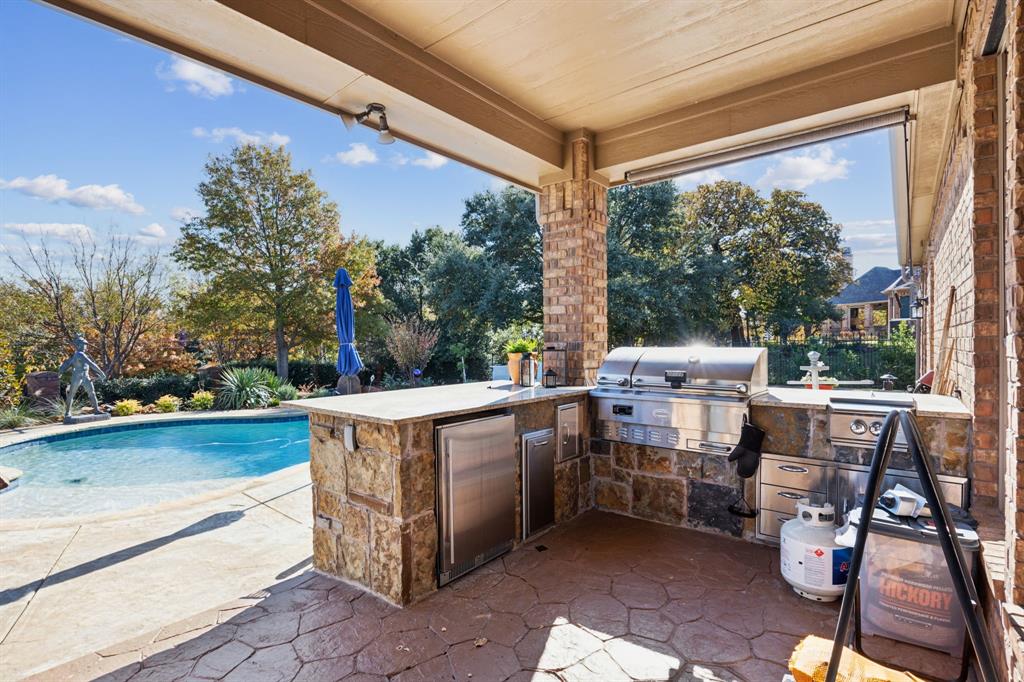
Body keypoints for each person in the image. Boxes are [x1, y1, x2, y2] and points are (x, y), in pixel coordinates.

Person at [58, 335, 107, 418]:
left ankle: (96, 410)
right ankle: (67, 413)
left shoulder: (78, 354)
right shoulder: (80, 354)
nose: (86, 346)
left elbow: (69, 364)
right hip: (77, 376)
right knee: (72, 394)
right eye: (84, 344)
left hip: (85, 376)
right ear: (79, 345)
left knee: (92, 393)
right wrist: (101, 373)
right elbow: (91, 364)